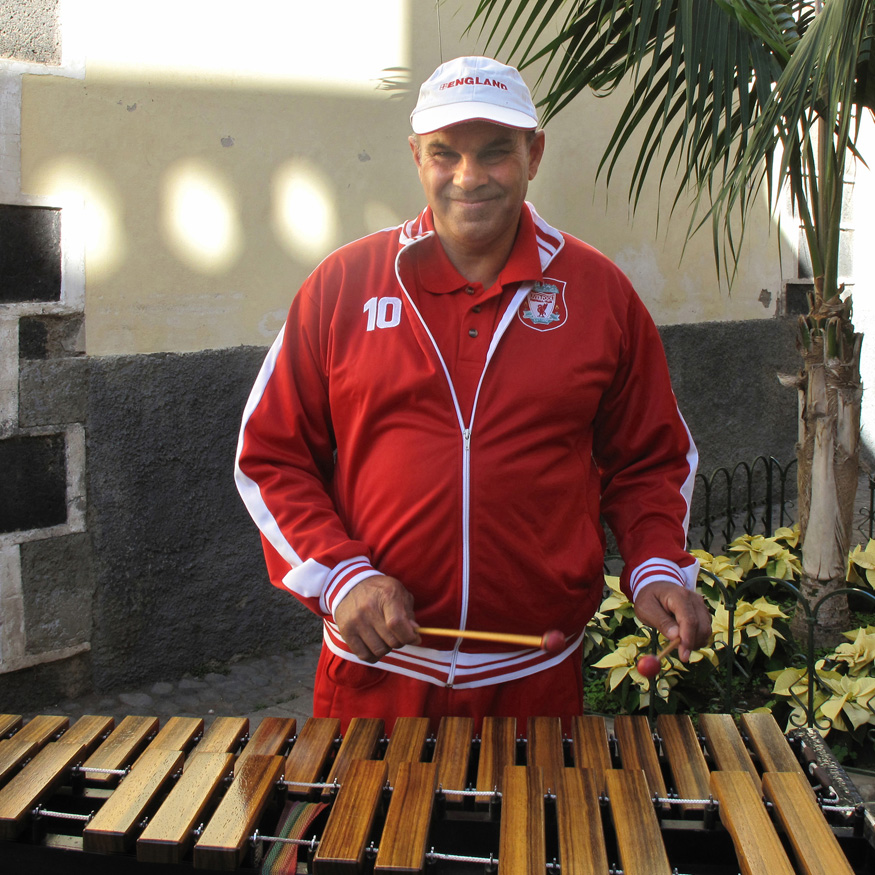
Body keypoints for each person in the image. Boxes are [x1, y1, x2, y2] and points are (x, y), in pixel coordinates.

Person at [235, 56, 711, 733]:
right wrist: (340, 576)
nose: (468, 177)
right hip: (376, 674)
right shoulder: (342, 285)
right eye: (444, 153)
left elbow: (650, 458)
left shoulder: (598, 292)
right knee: (361, 810)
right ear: (416, 157)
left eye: (495, 152)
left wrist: (656, 566)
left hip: (534, 678)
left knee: (535, 809)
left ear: (533, 154)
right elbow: (270, 457)